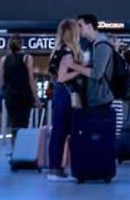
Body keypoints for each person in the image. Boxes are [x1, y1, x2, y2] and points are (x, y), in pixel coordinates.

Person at [46, 19, 86, 181]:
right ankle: (57, 169)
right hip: (67, 94)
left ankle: (55, 168)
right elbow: (63, 77)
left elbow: (55, 76)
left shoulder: (56, 51)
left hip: (58, 93)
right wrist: (80, 71)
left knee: (58, 131)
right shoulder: (68, 52)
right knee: (67, 132)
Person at [0, 34, 42, 144]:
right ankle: (21, 152)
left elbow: (2, 82)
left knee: (14, 124)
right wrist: (36, 99)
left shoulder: (4, 59)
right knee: (23, 125)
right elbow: (31, 80)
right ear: (22, 44)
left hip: (10, 96)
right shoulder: (27, 58)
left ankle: (15, 150)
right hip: (24, 96)